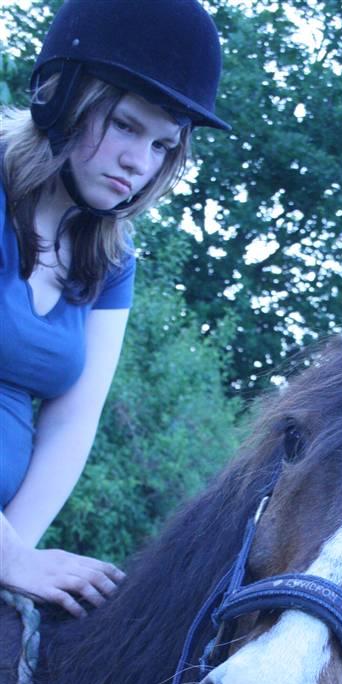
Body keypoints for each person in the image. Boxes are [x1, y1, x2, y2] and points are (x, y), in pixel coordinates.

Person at [0, 0, 230, 617]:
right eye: (126, 126)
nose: (140, 163)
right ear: (62, 98)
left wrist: (16, 558)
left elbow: (73, 422)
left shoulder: (110, 260)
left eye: (161, 145)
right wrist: (9, 557)